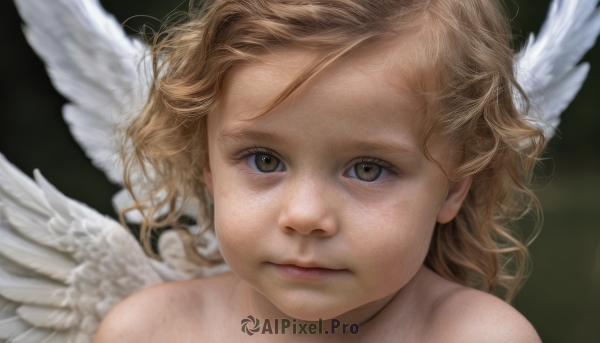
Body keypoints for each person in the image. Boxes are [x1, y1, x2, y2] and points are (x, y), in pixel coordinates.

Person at [94, 0, 545, 341]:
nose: (306, 216)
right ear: (207, 168)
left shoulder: (479, 336)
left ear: (454, 186)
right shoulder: (148, 332)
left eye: (368, 169)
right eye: (264, 160)